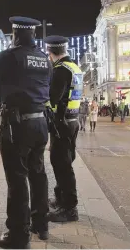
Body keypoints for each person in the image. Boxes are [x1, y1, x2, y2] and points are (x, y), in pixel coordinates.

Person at [0, 16, 51, 248]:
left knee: (17, 179)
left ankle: (18, 234)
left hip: (17, 125)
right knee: (38, 174)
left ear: (15, 34)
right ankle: (41, 225)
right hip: (40, 123)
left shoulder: (9, 56)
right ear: (33, 34)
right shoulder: (44, 58)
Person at [44, 35, 82, 223]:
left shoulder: (59, 70)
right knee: (64, 162)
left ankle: (69, 208)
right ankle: (61, 199)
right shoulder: (74, 67)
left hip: (62, 123)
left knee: (62, 165)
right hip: (73, 120)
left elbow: (53, 99)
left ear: (50, 53)